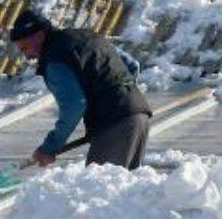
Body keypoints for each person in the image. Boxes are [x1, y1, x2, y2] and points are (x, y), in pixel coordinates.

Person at [9, 9, 152, 170]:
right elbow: (132, 65)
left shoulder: (55, 59)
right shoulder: (87, 37)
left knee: (98, 183)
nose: (27, 56)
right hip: (139, 117)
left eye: (25, 48)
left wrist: (50, 146)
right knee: (120, 183)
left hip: (114, 125)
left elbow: (74, 105)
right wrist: (121, 97)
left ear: (39, 36)